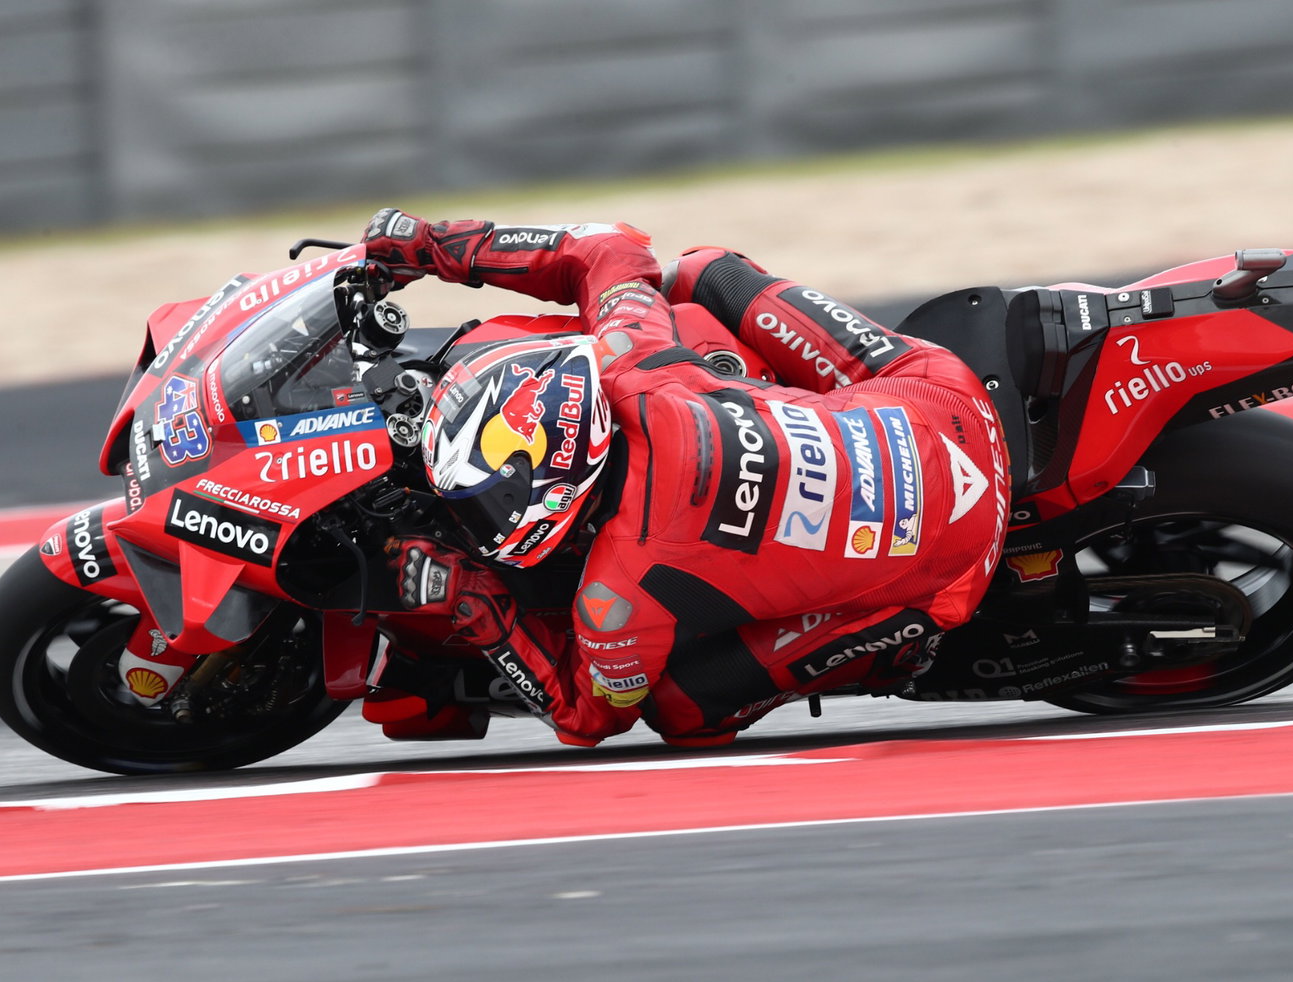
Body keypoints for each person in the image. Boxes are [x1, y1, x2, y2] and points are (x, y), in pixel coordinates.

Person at [360, 208, 1010, 747]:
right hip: (944, 399)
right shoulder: (633, 365)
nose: (478, 521)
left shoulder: (616, 598)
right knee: (703, 274)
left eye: (487, 506)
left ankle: (887, 653)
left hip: (952, 574)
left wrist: (468, 592)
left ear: (554, 494)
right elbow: (603, 249)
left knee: (682, 713)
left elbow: (587, 717)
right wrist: (431, 244)